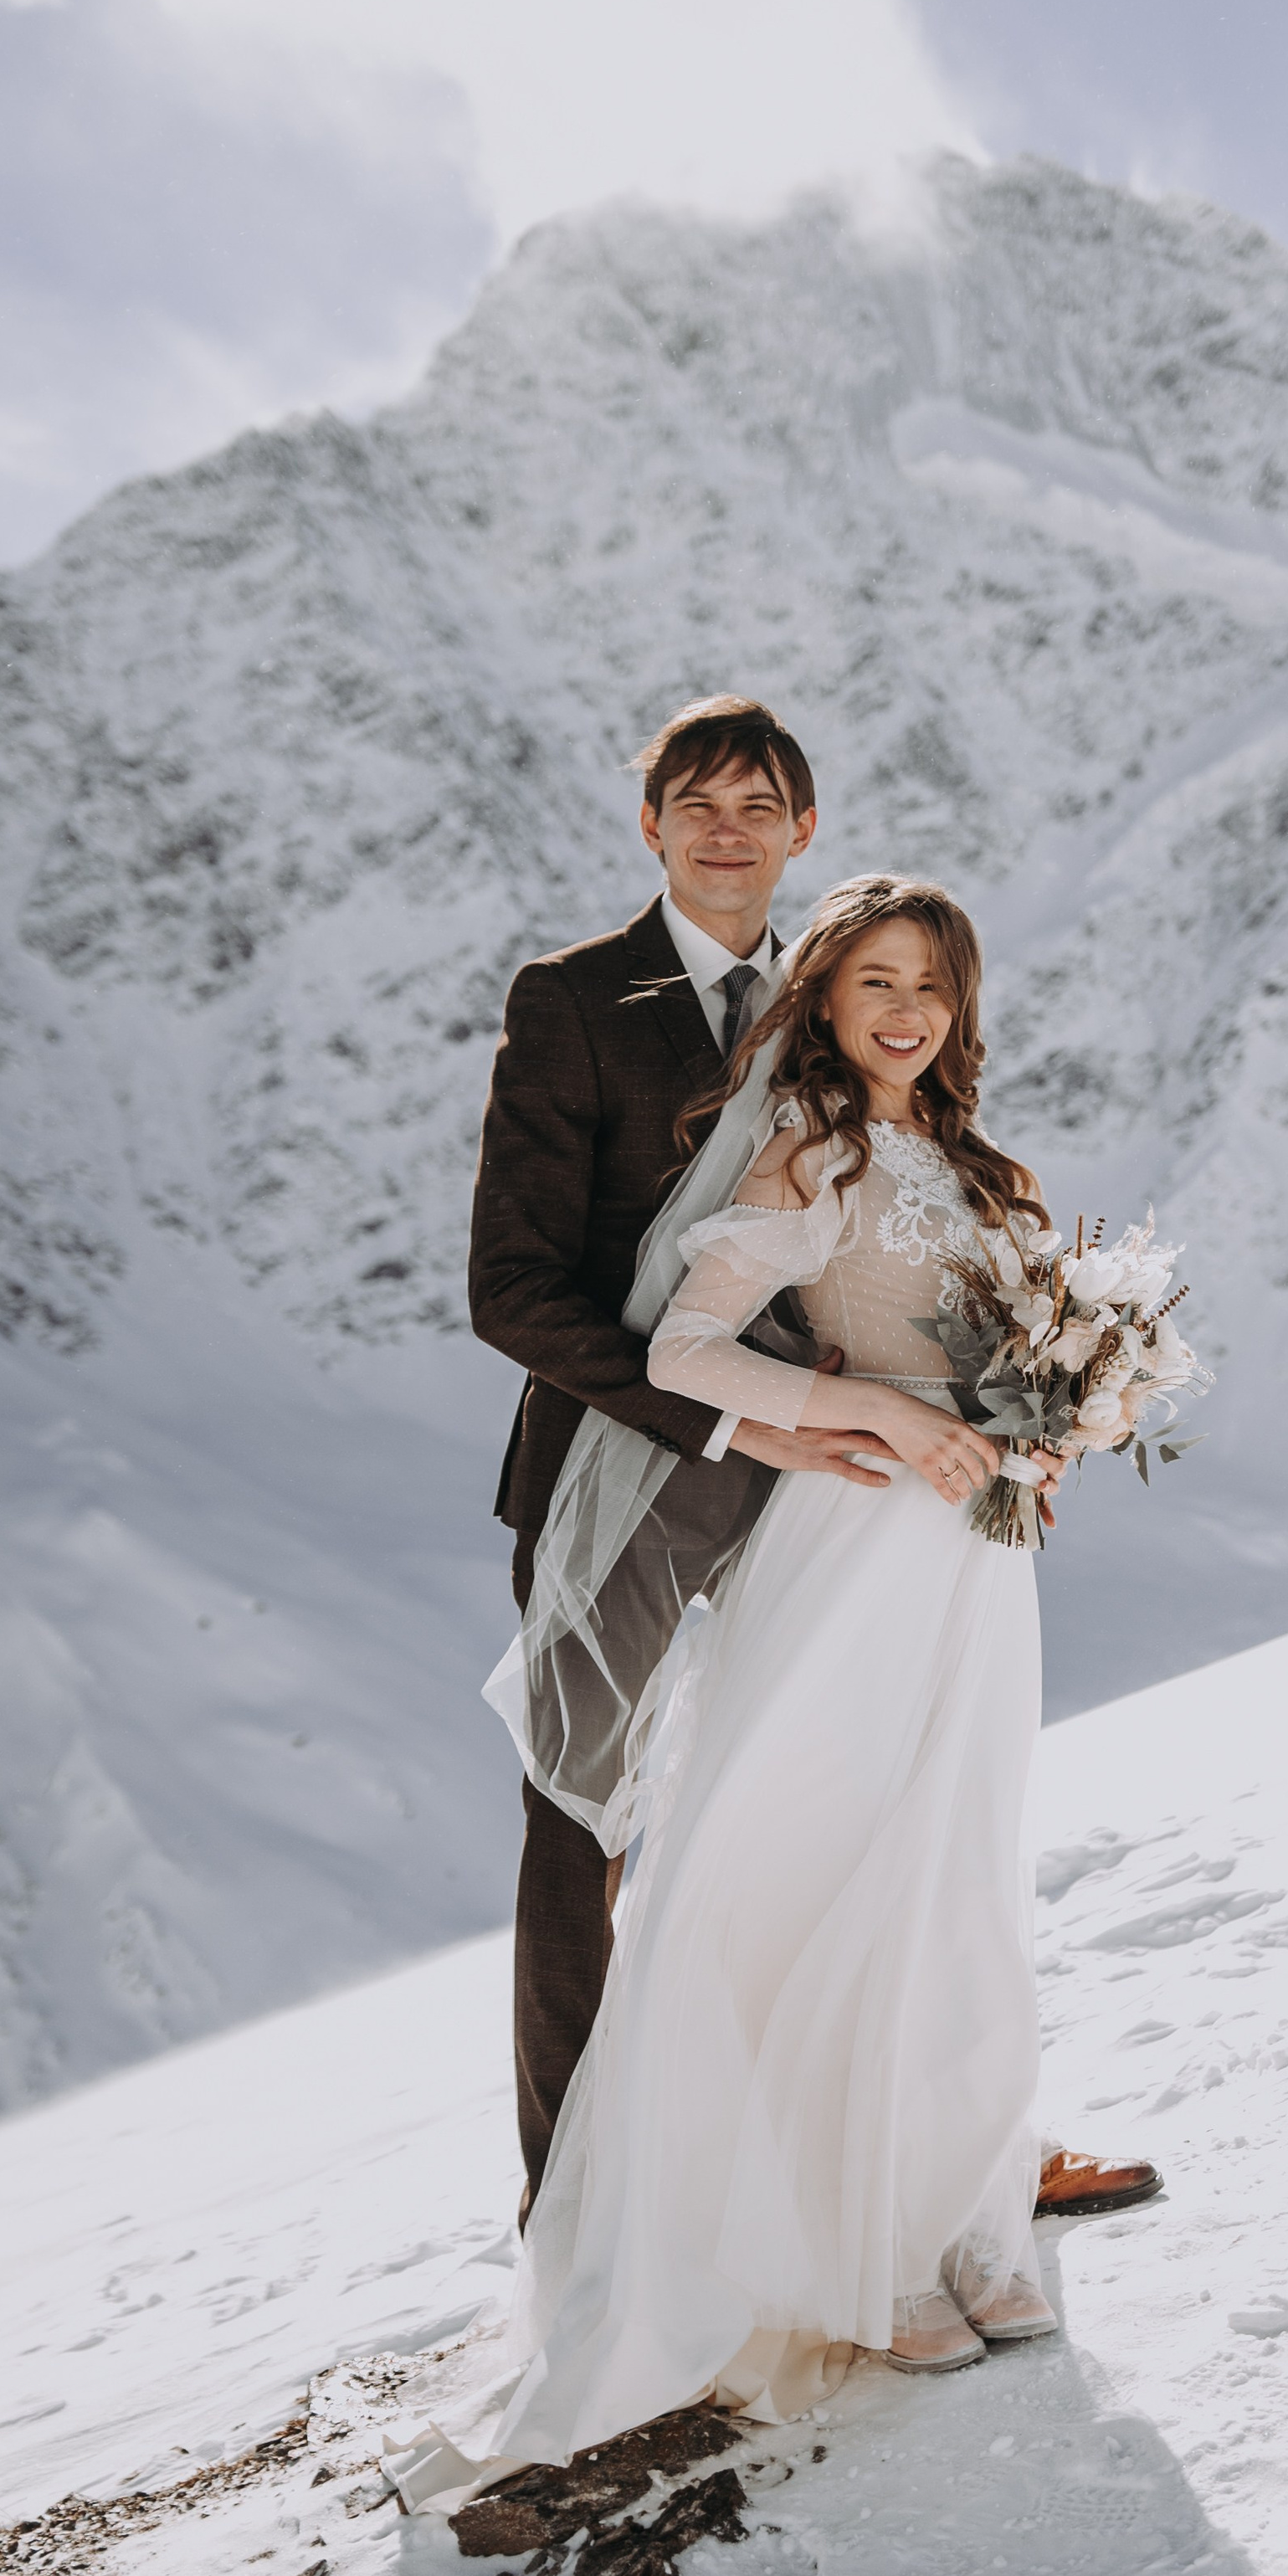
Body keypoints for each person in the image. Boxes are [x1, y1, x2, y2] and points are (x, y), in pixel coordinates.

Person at [485, 874, 1115, 2468]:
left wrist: (1065, 1428)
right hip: (849, 1558)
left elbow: (1021, 1357)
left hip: (977, 1570)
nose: (907, 1008)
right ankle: (864, 2257)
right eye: (876, 981)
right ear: (824, 999)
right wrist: (875, 1424)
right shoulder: (809, 1150)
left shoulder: (972, 1163)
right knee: (826, 1874)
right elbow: (689, 1348)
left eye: (934, 984)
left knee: (958, 1874)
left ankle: (964, 2215)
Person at [470, 700, 900, 2224]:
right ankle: (578, 2208)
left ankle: (854, 2163)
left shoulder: (838, 993)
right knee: (581, 1822)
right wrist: (719, 1416)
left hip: (816, 1481)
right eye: (699, 805)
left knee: (819, 1798)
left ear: (803, 832)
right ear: (649, 825)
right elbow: (511, 1291)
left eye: (762, 806)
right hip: (613, 1471)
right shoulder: (575, 998)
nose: (731, 831)